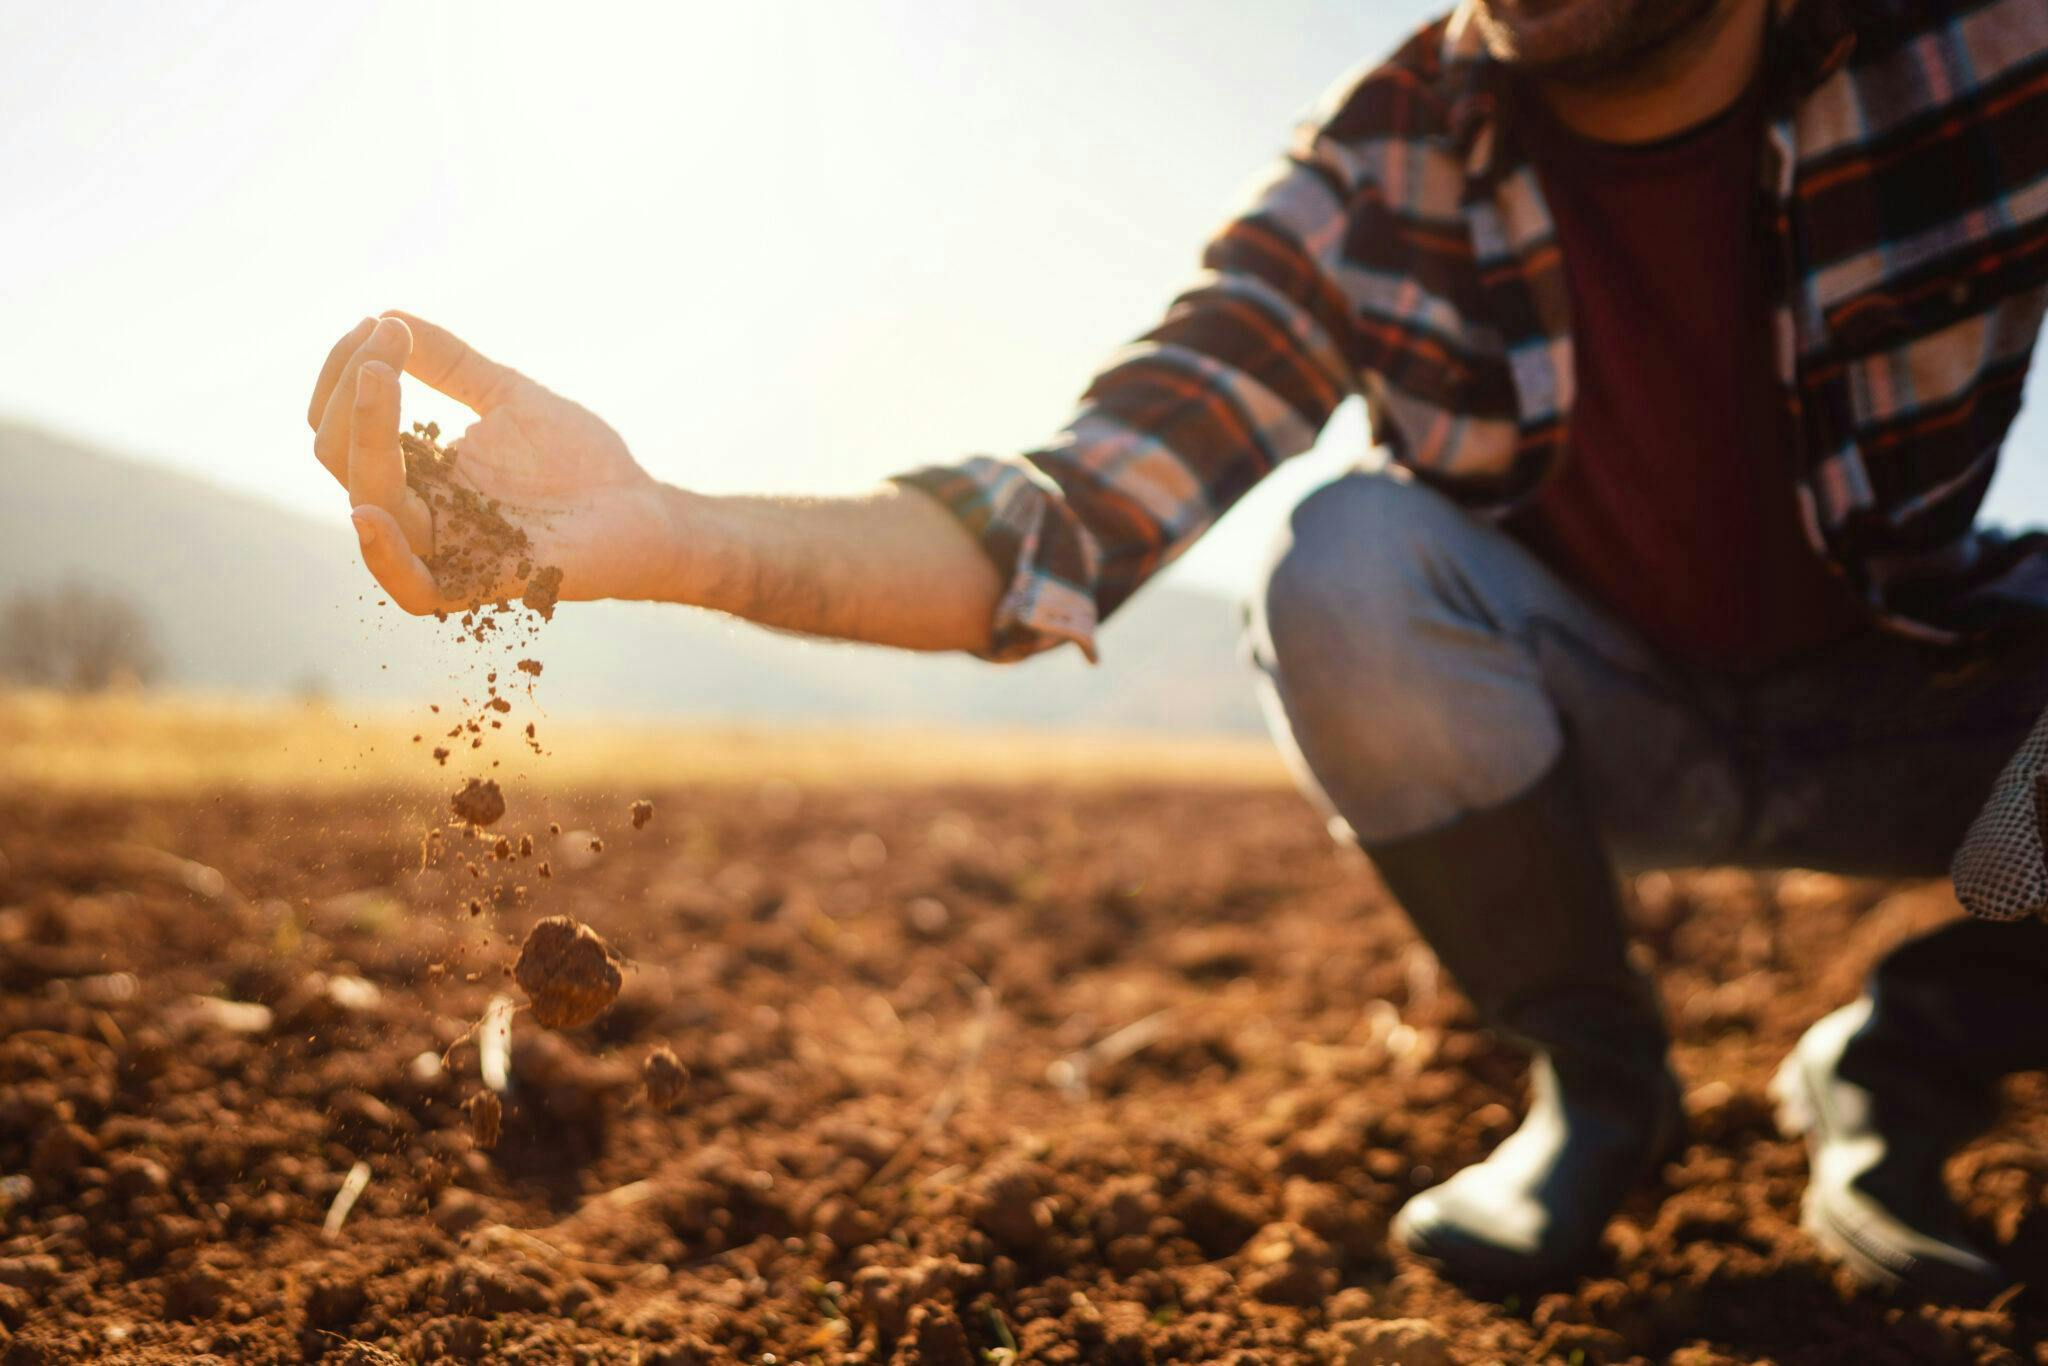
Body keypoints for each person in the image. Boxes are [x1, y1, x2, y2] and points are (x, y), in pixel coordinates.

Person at [309, 0, 2048, 1298]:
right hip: (1595, 728)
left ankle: (1907, 1063)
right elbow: (1081, 510)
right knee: (1349, 565)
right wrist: (677, 527)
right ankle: (1597, 1091)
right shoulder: (1384, 160)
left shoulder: (1979, 48)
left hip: (1928, 709)